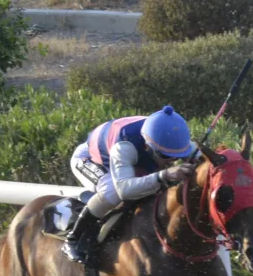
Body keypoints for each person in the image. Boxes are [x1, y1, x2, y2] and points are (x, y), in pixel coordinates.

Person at [61, 106, 197, 263]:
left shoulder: (171, 138)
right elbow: (124, 190)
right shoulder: (125, 147)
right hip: (91, 160)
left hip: (128, 162)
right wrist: (164, 175)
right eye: (166, 156)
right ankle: (73, 239)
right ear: (147, 146)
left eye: (177, 157)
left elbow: (200, 157)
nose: (172, 161)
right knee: (112, 191)